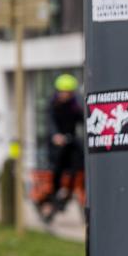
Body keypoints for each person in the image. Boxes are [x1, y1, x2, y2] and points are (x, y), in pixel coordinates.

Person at [41, 73, 84, 222]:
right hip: (57, 145)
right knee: (56, 169)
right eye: (63, 91)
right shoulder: (52, 106)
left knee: (78, 164)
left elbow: (82, 119)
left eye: (68, 92)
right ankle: (54, 196)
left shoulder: (75, 106)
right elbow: (49, 122)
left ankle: (68, 191)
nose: (65, 95)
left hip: (70, 141)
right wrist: (55, 136)